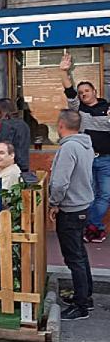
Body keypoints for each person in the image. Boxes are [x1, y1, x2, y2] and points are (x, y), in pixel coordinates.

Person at [48, 109, 95, 320]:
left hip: (70, 207)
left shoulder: (69, 148)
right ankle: (86, 295)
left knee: (74, 257)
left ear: (61, 125)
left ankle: (81, 305)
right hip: (83, 204)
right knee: (80, 254)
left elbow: (60, 182)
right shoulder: (85, 144)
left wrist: (53, 203)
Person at [61, 51, 110, 243]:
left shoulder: (107, 108)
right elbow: (69, 90)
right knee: (87, 195)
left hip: (106, 159)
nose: (82, 94)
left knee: (105, 195)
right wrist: (64, 71)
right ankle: (94, 228)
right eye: (81, 93)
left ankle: (91, 225)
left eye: (86, 91)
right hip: (87, 159)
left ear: (95, 91)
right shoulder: (78, 110)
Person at [0, 98, 31, 174]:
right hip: (23, 164)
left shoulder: (6, 125)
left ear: (2, 110)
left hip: (11, 166)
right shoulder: (23, 124)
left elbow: (4, 147)